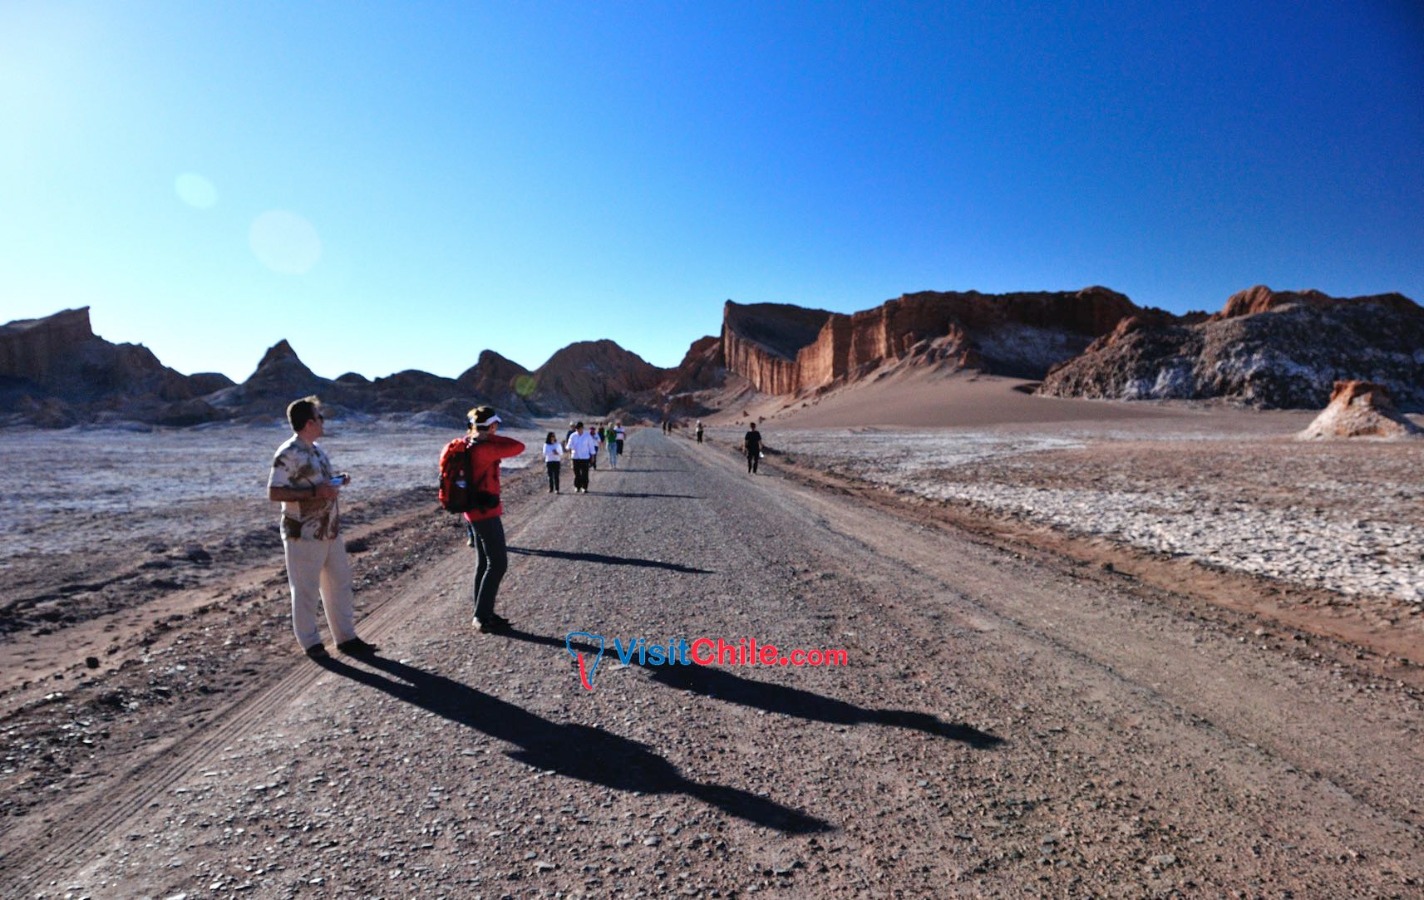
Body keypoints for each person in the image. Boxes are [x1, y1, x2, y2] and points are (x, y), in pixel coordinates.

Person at [267, 396, 378, 659]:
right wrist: (316, 491)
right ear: (308, 423)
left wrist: (337, 481)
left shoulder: (317, 450)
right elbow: (274, 492)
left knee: (338, 583)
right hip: (303, 533)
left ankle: (346, 638)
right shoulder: (287, 453)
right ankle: (311, 643)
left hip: (329, 529)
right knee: (305, 588)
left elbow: (320, 483)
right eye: (319, 417)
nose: (323, 422)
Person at [462, 406, 525, 633]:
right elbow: (519, 447)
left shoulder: (469, 444)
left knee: (483, 563)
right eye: (494, 426)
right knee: (498, 564)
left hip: (473, 512)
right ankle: (481, 615)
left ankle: (483, 610)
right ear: (492, 426)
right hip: (485, 514)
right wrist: (491, 434)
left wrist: (483, 432)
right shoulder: (485, 449)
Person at [565, 421, 598, 493]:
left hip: (585, 458)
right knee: (577, 474)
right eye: (577, 429)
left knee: (585, 474)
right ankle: (577, 487)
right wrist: (569, 448)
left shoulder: (587, 436)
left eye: (579, 428)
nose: (578, 430)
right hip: (575, 457)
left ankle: (584, 487)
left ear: (582, 428)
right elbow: (569, 445)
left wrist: (592, 457)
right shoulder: (573, 436)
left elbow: (591, 447)